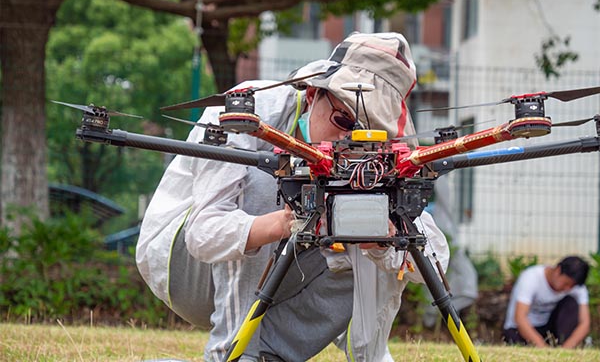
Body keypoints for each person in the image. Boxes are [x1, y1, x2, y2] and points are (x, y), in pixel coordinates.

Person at [136, 32, 449, 362]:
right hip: (184, 265)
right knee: (267, 182)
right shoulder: (247, 112)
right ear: (314, 94)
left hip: (278, 282)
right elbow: (203, 235)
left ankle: (275, 355)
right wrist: (285, 221)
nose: (349, 140)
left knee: (377, 218)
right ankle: (230, 354)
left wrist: (386, 238)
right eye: (343, 120)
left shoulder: (373, 156)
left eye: (370, 132)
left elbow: (438, 255)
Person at [502, 256, 590, 348]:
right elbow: (520, 318)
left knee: (571, 304)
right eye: (566, 284)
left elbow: (585, 323)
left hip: (546, 328)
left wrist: (566, 348)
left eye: (571, 286)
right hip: (520, 329)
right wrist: (543, 348)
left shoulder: (576, 288)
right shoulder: (531, 278)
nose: (567, 289)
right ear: (558, 270)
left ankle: (561, 343)